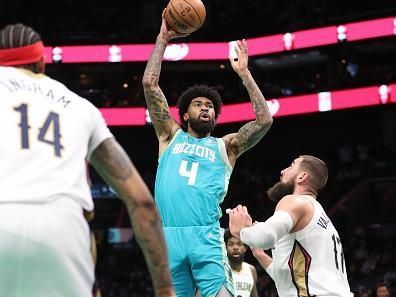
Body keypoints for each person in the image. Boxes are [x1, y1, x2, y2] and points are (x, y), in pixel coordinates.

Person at [0, 23, 175, 297]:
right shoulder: (80, 106)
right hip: (62, 231)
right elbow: (141, 202)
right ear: (42, 61)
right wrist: (165, 290)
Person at [142, 11, 273, 297]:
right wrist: (162, 39)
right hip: (168, 236)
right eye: (198, 105)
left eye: (210, 107)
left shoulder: (225, 146)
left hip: (206, 236)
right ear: (185, 115)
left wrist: (245, 74)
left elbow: (264, 121)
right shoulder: (169, 135)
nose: (205, 108)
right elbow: (150, 84)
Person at [228, 155, 354, 297]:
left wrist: (241, 231)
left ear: (302, 177)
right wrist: (259, 254)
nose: (283, 171)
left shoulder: (294, 201)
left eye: (291, 165)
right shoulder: (320, 216)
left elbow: (266, 237)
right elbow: (291, 279)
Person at [224, 229, 259, 297]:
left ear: (245, 248)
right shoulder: (221, 269)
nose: (235, 247)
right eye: (231, 244)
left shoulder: (251, 270)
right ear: (225, 248)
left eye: (239, 244)